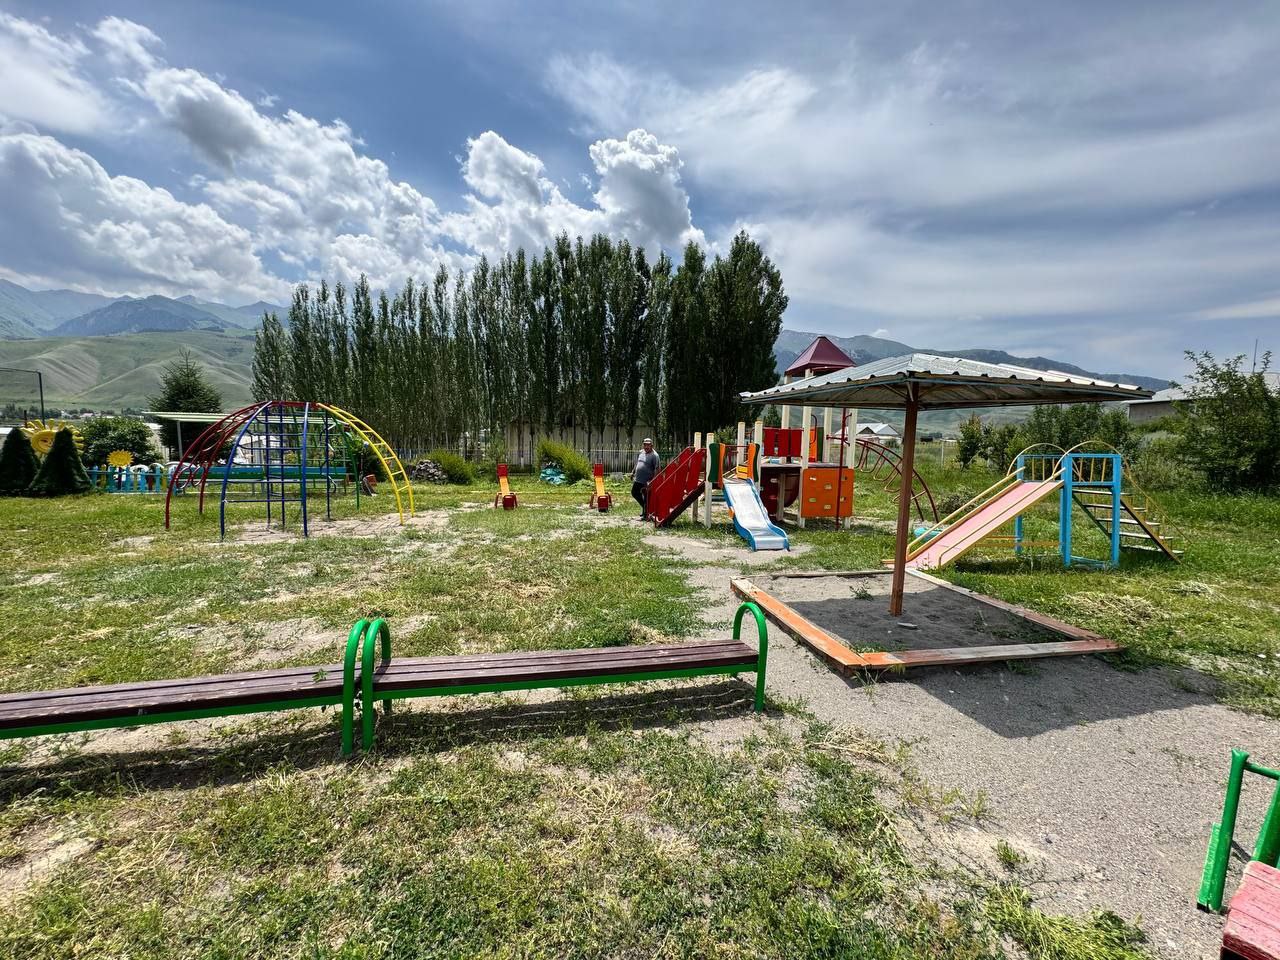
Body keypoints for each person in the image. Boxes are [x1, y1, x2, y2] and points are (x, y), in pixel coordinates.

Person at [631, 438, 660, 520]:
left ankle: (646, 514)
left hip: (647, 481)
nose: (646, 446)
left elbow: (657, 469)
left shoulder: (655, 455)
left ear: (652, 445)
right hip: (638, 479)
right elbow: (637, 463)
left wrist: (652, 481)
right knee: (634, 492)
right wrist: (633, 472)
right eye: (645, 445)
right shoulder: (641, 452)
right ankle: (645, 509)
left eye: (648, 445)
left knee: (647, 497)